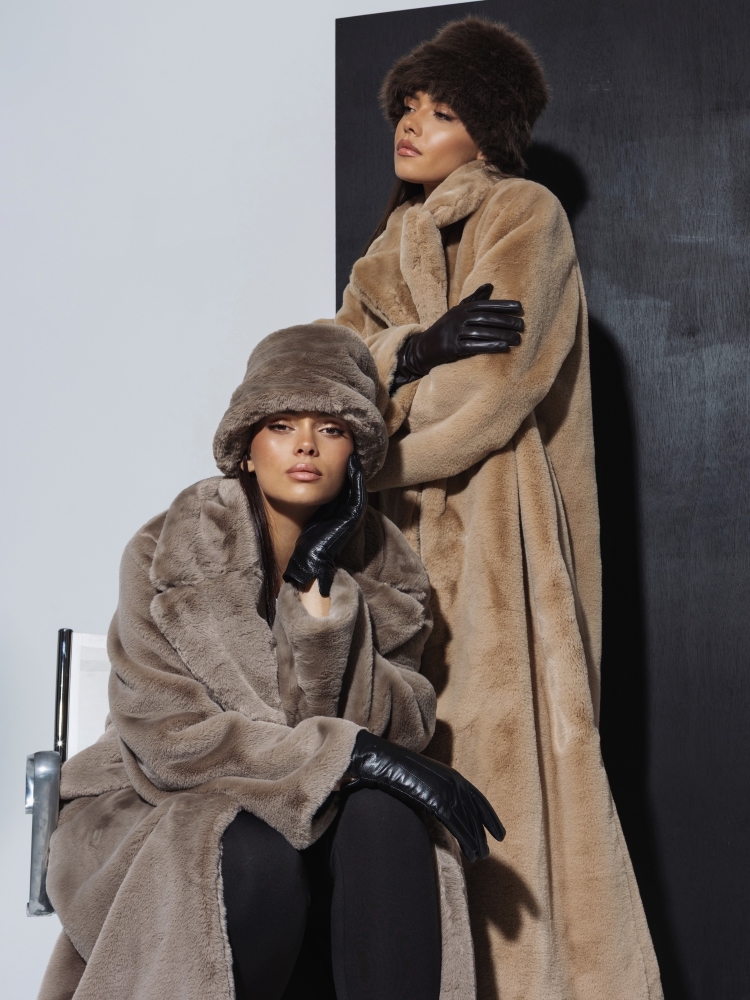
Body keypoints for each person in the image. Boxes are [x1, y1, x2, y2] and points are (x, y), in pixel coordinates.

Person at [331, 16, 663, 1000]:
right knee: (400, 786)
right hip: (390, 563)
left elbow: (490, 396)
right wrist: (416, 349)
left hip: (501, 558)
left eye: (442, 110)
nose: (413, 123)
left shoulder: (527, 214)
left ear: (489, 130)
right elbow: (332, 386)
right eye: (408, 105)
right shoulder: (384, 252)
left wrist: (370, 450)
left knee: (512, 782)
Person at [38, 325, 504, 1000]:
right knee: (255, 848)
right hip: (156, 801)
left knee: (389, 821)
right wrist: (352, 755)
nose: (306, 445)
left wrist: (319, 596)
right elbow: (171, 742)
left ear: (355, 453)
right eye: (282, 425)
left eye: (331, 429)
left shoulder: (387, 566)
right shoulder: (166, 549)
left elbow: (401, 724)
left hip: (314, 809)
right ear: (247, 450)